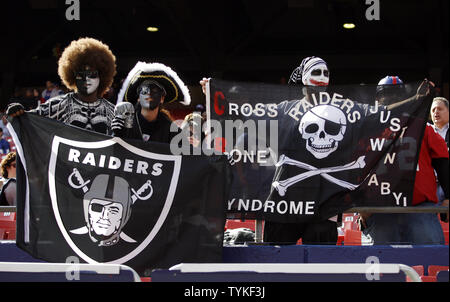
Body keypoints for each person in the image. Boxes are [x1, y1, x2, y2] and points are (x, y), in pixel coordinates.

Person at [200, 56, 339, 245]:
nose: (322, 78)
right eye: (316, 72)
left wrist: (393, 105)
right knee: (275, 265)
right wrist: (215, 95)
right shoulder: (283, 111)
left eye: (326, 73)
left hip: (323, 207)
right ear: (304, 77)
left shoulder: (343, 112)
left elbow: (376, 117)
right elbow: (244, 115)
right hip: (285, 205)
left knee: (321, 269)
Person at [360, 76, 449, 245]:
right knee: (381, 267)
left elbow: (442, 160)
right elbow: (357, 168)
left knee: (426, 263)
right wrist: (362, 204)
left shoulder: (424, 126)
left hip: (418, 207)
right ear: (377, 99)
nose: (390, 98)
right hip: (380, 209)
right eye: (386, 94)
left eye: (394, 94)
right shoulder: (367, 128)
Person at [6, 37, 117, 135]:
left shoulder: (112, 111)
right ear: (72, 76)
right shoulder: (59, 105)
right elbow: (29, 121)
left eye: (92, 74)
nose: (86, 79)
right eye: (81, 74)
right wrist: (16, 113)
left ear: (101, 77)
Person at [112, 62, 191, 143]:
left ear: (162, 99)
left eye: (154, 91)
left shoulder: (173, 132)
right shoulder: (124, 125)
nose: (149, 93)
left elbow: (186, 153)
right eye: (144, 91)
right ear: (138, 97)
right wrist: (116, 135)